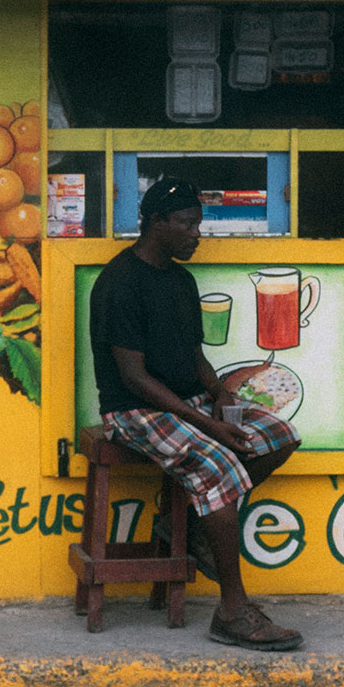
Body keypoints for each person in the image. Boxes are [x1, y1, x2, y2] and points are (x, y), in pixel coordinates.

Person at [89, 176, 304, 651]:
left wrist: (220, 394)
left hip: (190, 402)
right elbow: (134, 378)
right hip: (136, 410)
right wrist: (209, 425)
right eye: (187, 225)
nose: (197, 235)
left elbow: (194, 355)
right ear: (156, 222)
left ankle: (187, 524)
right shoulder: (120, 284)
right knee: (221, 466)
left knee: (279, 436)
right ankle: (232, 613)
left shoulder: (181, 280)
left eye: (198, 225)